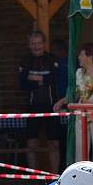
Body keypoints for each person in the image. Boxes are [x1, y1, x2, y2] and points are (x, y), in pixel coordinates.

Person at [53, 43, 93, 166]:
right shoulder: (79, 72)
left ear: (89, 55)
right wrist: (63, 101)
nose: (79, 57)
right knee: (80, 149)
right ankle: (80, 177)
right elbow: (77, 92)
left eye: (81, 54)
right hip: (82, 114)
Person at [19, 30, 62, 173]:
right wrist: (44, 80)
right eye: (33, 43)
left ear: (44, 44)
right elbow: (22, 84)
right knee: (31, 143)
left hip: (52, 106)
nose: (36, 46)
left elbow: (55, 79)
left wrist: (35, 78)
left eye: (39, 43)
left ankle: (55, 176)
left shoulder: (52, 59)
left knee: (54, 143)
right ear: (29, 45)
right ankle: (32, 176)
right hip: (32, 106)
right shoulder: (25, 61)